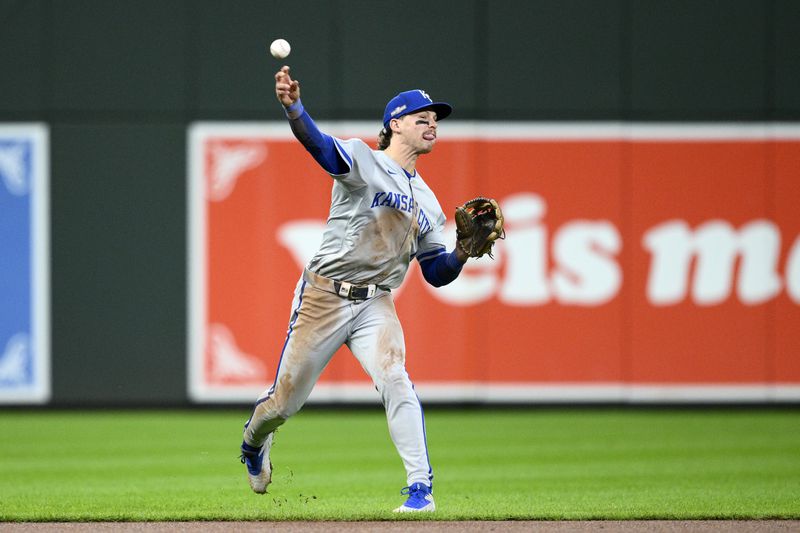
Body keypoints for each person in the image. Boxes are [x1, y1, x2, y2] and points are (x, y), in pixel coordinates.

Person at [240, 65, 470, 513]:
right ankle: (253, 443)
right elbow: (322, 149)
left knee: (396, 380)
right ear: (394, 125)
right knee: (283, 405)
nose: (431, 123)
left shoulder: (428, 201)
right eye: (420, 116)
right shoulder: (365, 160)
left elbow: (436, 273)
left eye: (435, 118)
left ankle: (420, 489)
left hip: (376, 303)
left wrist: (462, 253)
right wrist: (294, 110)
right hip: (324, 295)